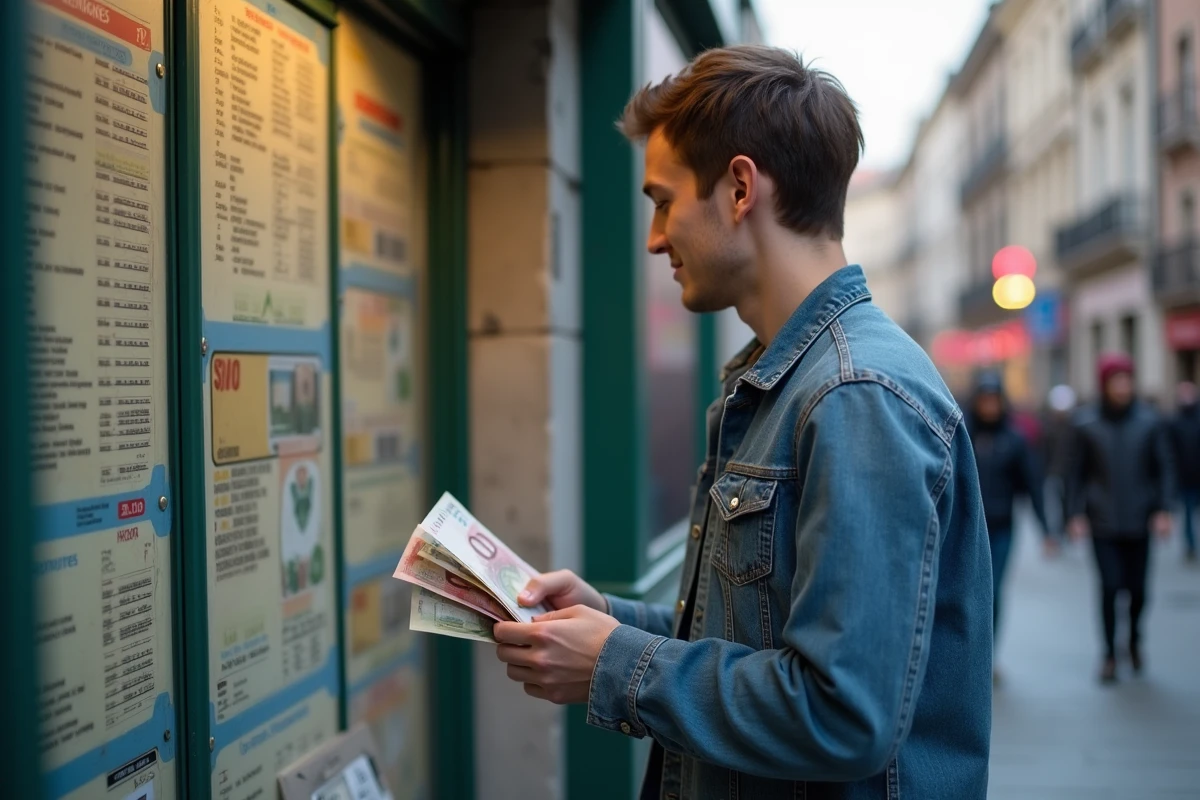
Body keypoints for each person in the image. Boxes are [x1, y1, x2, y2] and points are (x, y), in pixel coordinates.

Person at [492, 45, 992, 799]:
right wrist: (610, 621)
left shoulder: (854, 394)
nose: (655, 238)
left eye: (663, 201)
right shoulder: (790, 380)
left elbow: (841, 711)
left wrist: (615, 662)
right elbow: (757, 629)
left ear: (738, 187)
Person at [1067, 353, 1174, 683]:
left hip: (1139, 518)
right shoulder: (1086, 424)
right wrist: (1074, 515)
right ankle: (1110, 654)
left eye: (1127, 380)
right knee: (1110, 587)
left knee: (1139, 590)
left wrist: (1163, 510)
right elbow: (1074, 475)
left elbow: (1163, 469)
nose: (1122, 387)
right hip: (1102, 520)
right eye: (1116, 381)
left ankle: (1135, 639)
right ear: (1105, 384)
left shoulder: (1149, 421)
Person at [965, 371, 1052, 684]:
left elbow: (1032, 484)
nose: (990, 406)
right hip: (964, 528)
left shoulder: (1014, 440)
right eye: (984, 400)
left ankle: (987, 657)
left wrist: (1047, 530)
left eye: (994, 400)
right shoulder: (962, 433)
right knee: (963, 593)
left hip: (1000, 529)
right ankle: (965, 654)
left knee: (992, 593)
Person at [1169, 381, 1200, 562]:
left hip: (1197, 474)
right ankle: (1190, 545)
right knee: (1188, 513)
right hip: (1185, 477)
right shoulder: (1174, 421)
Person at [1042, 384, 1078, 537]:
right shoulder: (1048, 427)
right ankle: (1059, 529)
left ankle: (1067, 524)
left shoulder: (1076, 428)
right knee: (1055, 502)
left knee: (1068, 499)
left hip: (1070, 471)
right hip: (1054, 471)